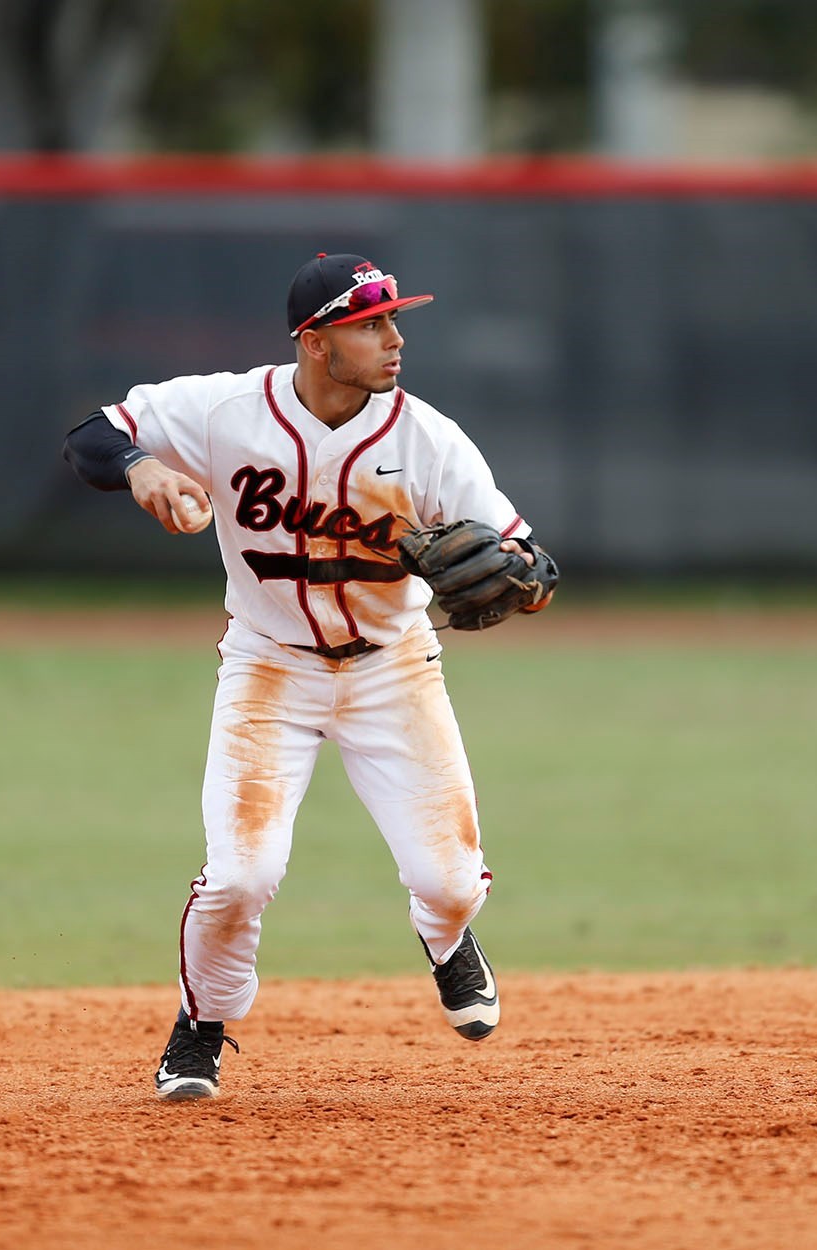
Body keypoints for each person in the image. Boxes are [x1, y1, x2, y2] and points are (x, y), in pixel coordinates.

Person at [61, 253, 558, 1101]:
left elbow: (525, 555)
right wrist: (146, 471)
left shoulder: (425, 438)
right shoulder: (224, 411)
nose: (395, 339)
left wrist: (523, 579)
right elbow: (93, 435)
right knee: (240, 876)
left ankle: (447, 942)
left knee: (447, 884)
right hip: (268, 670)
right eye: (373, 324)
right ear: (317, 341)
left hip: (393, 671)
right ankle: (202, 1028)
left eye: (394, 321)